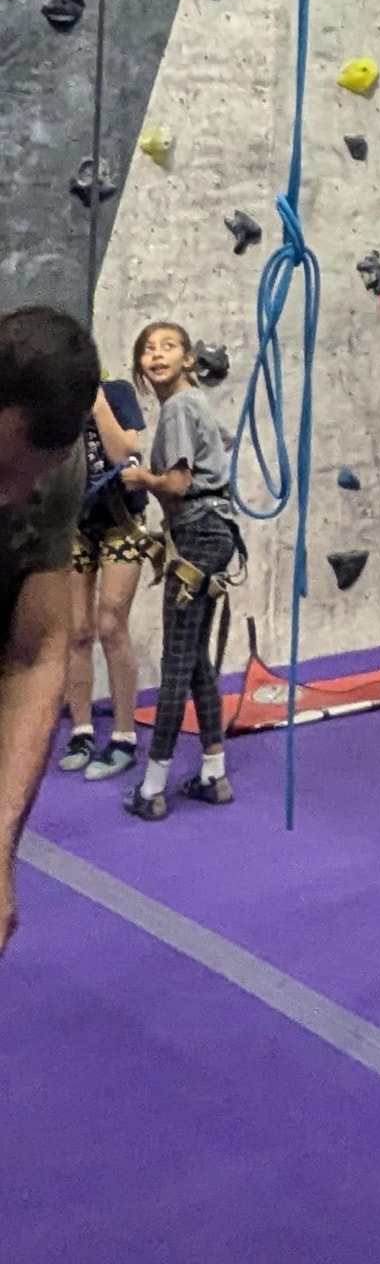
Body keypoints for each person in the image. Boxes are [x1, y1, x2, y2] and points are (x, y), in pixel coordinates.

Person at [0, 304, 101, 957]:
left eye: (32, 473)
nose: (15, 494)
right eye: (4, 467)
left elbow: (37, 655)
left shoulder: (57, 470)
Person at [120, 328, 241, 821]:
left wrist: (141, 478)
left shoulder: (178, 408)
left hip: (196, 533)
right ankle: (213, 773)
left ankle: (152, 786)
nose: (156, 355)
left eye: (168, 347)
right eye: (147, 349)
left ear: (189, 358)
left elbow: (177, 483)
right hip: (215, 532)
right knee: (193, 662)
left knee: (175, 662)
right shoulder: (195, 405)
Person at [55, 334, 158, 785]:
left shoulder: (116, 394)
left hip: (120, 520)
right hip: (75, 524)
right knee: (77, 630)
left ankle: (123, 735)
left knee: (112, 624)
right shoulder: (55, 407)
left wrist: (96, 403)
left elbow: (126, 454)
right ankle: (80, 729)